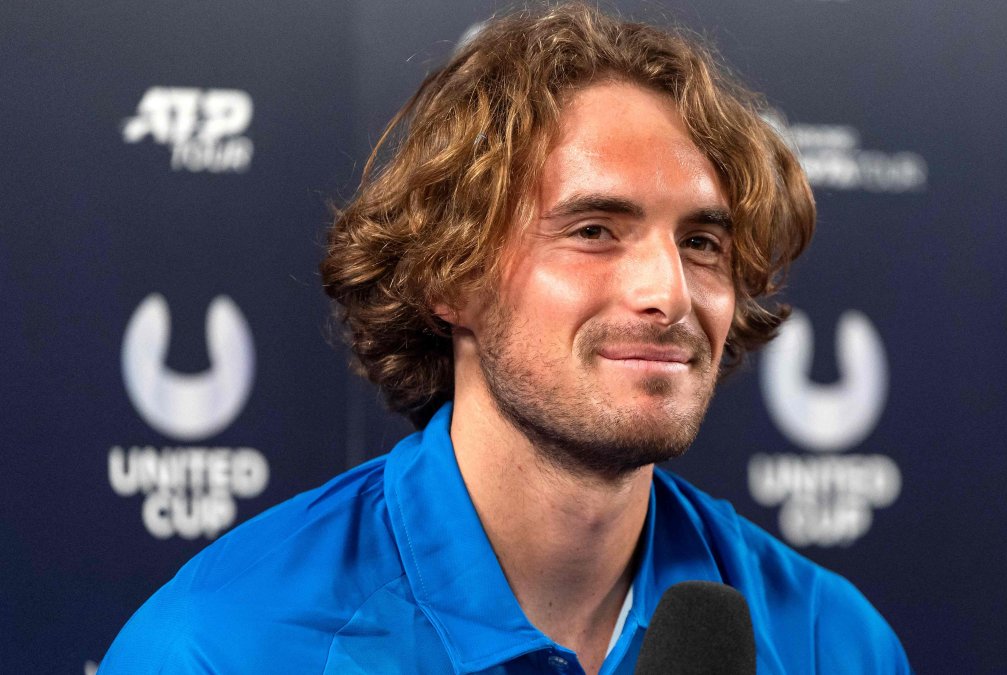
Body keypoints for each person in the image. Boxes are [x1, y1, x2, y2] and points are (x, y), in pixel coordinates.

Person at [101, 3, 910, 673]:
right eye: (594, 230)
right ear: (451, 277)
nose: (668, 292)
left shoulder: (830, 643)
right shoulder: (223, 646)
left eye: (702, 243)